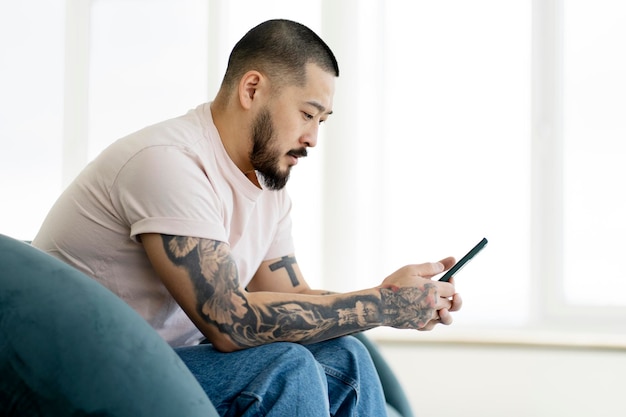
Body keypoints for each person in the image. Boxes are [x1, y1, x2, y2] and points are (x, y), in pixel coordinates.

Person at [33, 19, 462, 416]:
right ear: (252, 89)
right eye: (307, 114)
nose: (313, 137)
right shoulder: (168, 163)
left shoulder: (266, 188)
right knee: (283, 368)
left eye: (322, 120)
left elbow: (294, 296)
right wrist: (382, 306)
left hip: (167, 363)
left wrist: (399, 297)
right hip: (87, 376)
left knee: (344, 354)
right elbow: (230, 322)